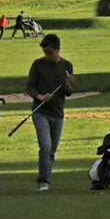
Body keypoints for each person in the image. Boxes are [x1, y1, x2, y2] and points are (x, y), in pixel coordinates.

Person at [26, 34, 74, 192]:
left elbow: (67, 93)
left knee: (52, 151)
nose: (47, 55)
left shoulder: (67, 66)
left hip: (58, 113)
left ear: (58, 49)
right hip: (40, 112)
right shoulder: (38, 64)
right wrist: (40, 97)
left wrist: (68, 87)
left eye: (49, 52)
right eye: (45, 52)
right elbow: (30, 87)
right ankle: (43, 182)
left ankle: (45, 179)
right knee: (45, 146)